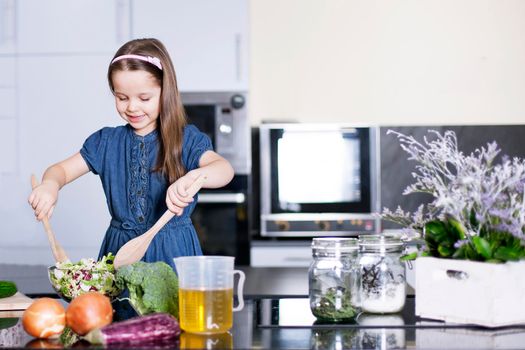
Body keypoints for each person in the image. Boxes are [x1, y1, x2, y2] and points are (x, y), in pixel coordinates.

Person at [28, 38, 234, 270]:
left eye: (144, 98)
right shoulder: (105, 142)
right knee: (115, 308)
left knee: (172, 308)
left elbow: (224, 169)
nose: (132, 107)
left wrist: (194, 177)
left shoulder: (185, 139)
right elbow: (61, 170)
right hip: (119, 252)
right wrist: (50, 185)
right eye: (121, 97)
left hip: (174, 252)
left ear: (165, 92)